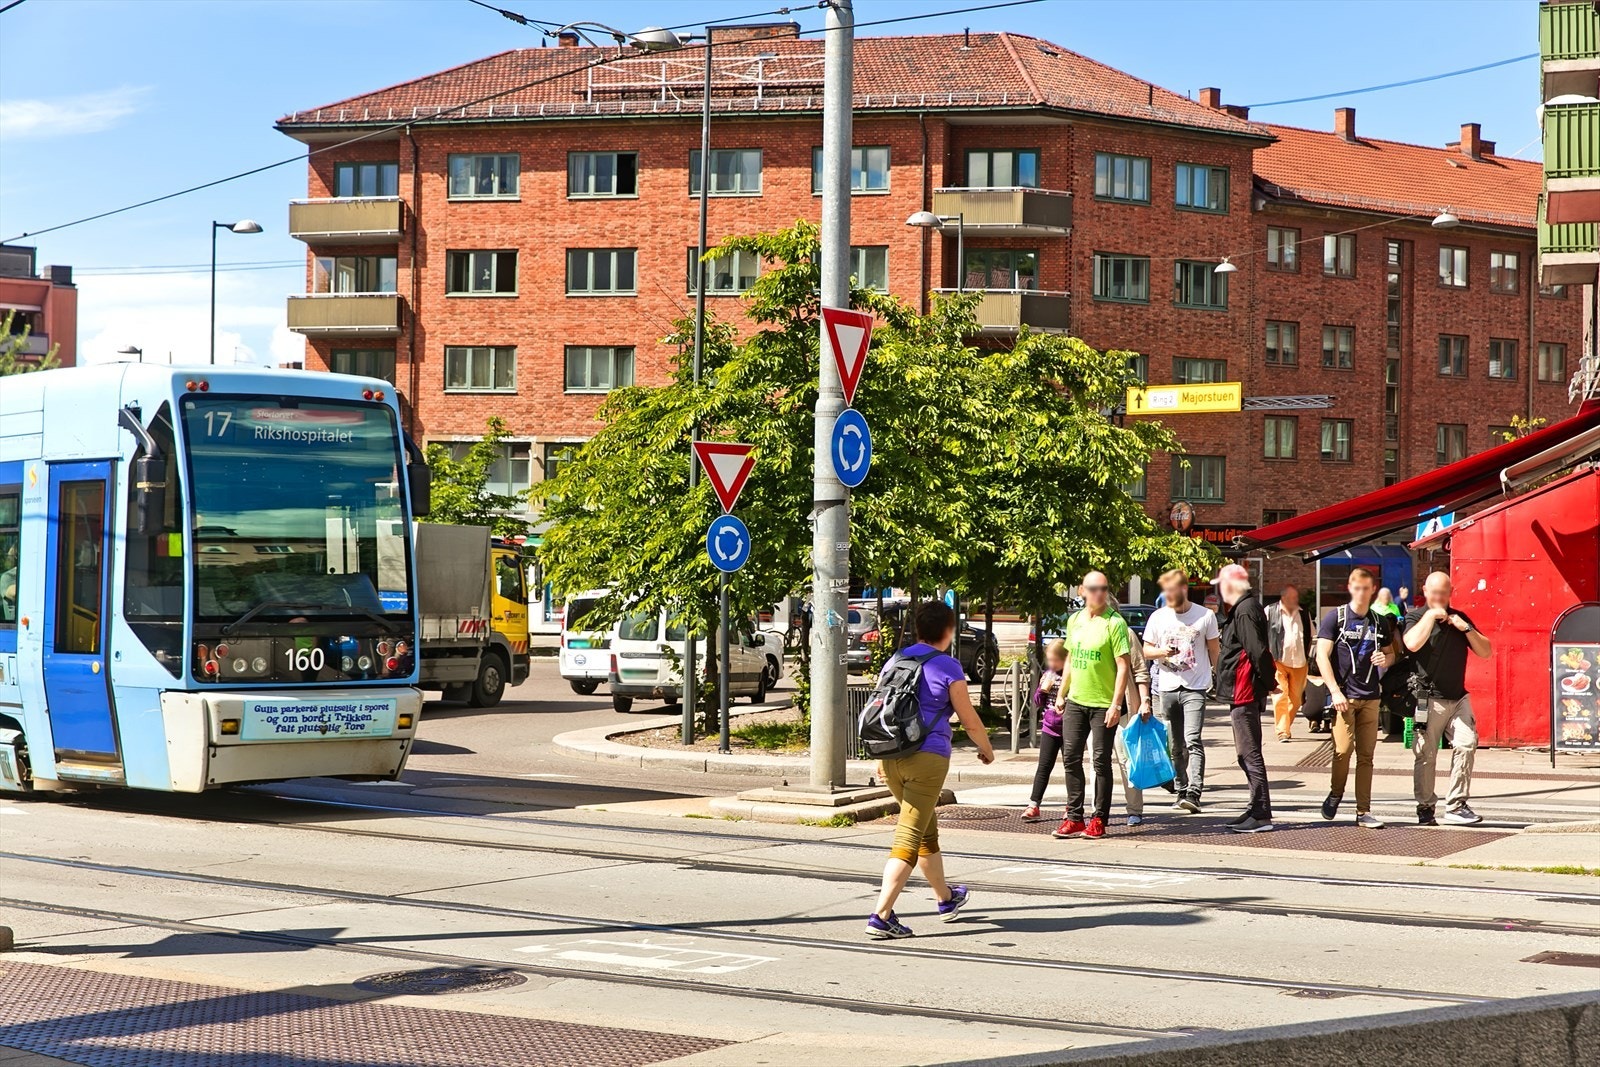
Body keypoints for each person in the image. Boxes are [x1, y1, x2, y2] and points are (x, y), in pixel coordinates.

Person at [867, 600, 995, 940]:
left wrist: (881, 758)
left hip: (891, 755)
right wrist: (986, 748)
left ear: (918, 629)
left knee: (925, 831)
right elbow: (968, 718)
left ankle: (945, 898)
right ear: (948, 631)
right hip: (927, 758)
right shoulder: (948, 666)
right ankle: (881, 916)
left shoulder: (895, 659)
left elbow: (883, 710)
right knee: (908, 837)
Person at [1315, 566, 1400, 829]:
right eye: (1357, 588)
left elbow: (1391, 654)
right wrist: (1334, 690)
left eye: (1366, 588)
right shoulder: (1336, 617)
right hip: (1344, 696)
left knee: (1366, 756)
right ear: (1350, 588)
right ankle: (1335, 793)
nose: (1362, 593)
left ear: (1373, 590)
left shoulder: (1379, 621)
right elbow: (1321, 655)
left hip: (1371, 696)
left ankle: (1363, 811)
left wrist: (1385, 659)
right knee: (1342, 751)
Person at [1404, 572, 1491, 826]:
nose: (1439, 597)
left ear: (1450, 592)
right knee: (1426, 754)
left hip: (1458, 697)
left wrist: (1466, 628)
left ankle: (1456, 805)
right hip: (1429, 698)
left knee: (1467, 744)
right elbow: (1411, 643)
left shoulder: (1459, 618)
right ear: (1425, 591)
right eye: (1434, 592)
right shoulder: (1415, 617)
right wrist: (1431, 615)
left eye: (1443, 593)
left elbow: (1485, 651)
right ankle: (1425, 806)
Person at [1051, 571, 1132, 841]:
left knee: (1100, 761)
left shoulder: (1115, 623)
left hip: (1102, 704)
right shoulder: (1075, 620)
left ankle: (1099, 819)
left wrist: (1116, 705)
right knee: (1071, 758)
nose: (1099, 593)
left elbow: (1123, 666)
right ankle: (1075, 817)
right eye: (1094, 588)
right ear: (1082, 591)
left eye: (1104, 588)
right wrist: (1062, 693)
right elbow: (1071, 659)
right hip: (1076, 700)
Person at [1142, 568, 1220, 814]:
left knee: (1192, 739)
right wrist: (1162, 652)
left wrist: (1217, 677)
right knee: (1175, 744)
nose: (1170, 598)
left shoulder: (1205, 616)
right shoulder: (1158, 617)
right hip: (1167, 687)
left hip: (1195, 686)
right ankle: (1181, 789)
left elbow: (1214, 649)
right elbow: (1146, 650)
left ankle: (1195, 793)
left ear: (1184, 590)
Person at [1215, 563, 1277, 833]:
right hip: (1243, 690)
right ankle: (1255, 808)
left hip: (1245, 691)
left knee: (1249, 753)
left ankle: (1261, 814)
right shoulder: (1243, 608)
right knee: (1246, 753)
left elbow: (1257, 651)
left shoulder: (1245, 610)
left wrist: (1269, 681)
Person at [1020, 639, 1068, 822]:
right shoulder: (1049, 674)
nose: (1052, 664)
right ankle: (1033, 805)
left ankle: (1072, 806)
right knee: (1044, 766)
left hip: (1069, 728)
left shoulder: (1072, 676)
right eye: (1050, 660)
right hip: (1050, 727)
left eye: (1055, 660)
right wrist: (1043, 690)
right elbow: (1038, 702)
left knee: (1071, 768)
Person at [1265, 584, 1313, 742]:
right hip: (1278, 660)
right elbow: (1262, 633)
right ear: (1283, 598)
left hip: (1300, 662)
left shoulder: (1304, 613)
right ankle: (1282, 731)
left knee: (1296, 700)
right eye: (1292, 597)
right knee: (1280, 697)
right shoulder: (1270, 611)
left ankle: (1285, 725)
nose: (1295, 600)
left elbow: (1311, 635)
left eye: (1296, 597)